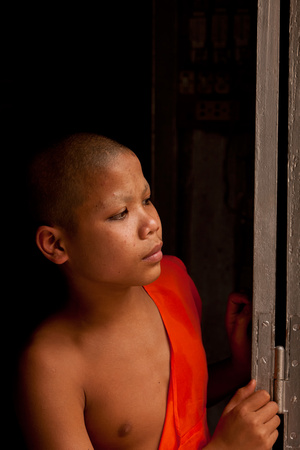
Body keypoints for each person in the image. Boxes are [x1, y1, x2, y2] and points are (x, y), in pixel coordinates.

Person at [17, 133, 280, 449]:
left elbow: (173, 403)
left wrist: (237, 369)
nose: (151, 224)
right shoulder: (51, 366)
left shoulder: (173, 280)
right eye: (120, 213)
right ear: (56, 244)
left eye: (146, 200)